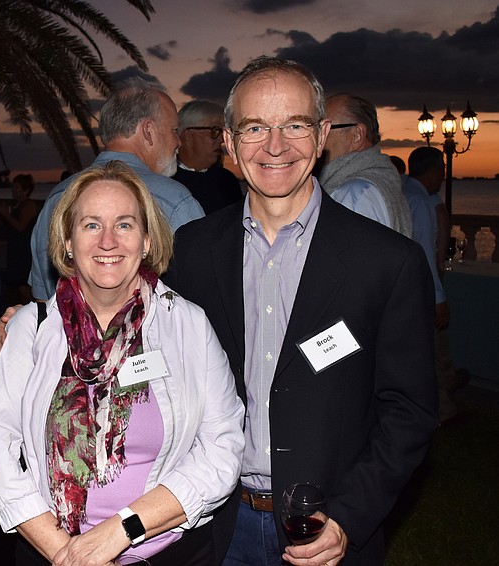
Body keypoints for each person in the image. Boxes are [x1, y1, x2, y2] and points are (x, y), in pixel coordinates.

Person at [164, 57, 437, 565]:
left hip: (325, 531)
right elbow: (139, 341)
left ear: (323, 134)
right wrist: (30, 327)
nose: (275, 146)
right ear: (228, 141)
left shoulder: (386, 262)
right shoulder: (192, 251)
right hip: (213, 527)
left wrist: (351, 517)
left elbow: (410, 411)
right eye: (254, 127)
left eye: (294, 125)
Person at [0, 161, 245, 565]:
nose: (108, 241)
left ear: (148, 241)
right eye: (90, 225)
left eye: (124, 225)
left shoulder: (188, 325)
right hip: (51, 553)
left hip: (167, 554)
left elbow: (222, 448)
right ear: (67, 241)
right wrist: (70, 555)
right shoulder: (28, 330)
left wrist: (122, 530)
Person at [28, 78, 204, 301]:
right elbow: (203, 295)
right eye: (173, 130)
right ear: (148, 131)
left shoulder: (57, 197)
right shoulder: (176, 202)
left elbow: (43, 300)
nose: (178, 141)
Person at [402, 146, 457, 423]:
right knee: (430, 350)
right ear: (434, 171)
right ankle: (440, 410)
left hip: (404, 285)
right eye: (442, 172)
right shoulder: (420, 201)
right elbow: (423, 248)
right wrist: (438, 295)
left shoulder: (402, 191)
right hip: (419, 286)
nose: (443, 178)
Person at [319, 93, 412, 237]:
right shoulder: (379, 180)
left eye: (324, 129)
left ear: (357, 135)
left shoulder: (352, 196)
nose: (316, 137)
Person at [172, 99, 243, 214]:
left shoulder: (227, 181)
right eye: (214, 131)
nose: (221, 140)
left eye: (222, 133)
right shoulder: (167, 182)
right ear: (188, 136)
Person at [0, 173, 40, 303]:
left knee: (22, 285)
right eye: (13, 187)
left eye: (16, 187)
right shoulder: (19, 204)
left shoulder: (28, 205)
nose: (13, 190)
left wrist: (6, 214)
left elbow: (21, 226)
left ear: (25, 190)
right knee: (16, 285)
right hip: (16, 248)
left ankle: (35, 309)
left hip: (23, 250)